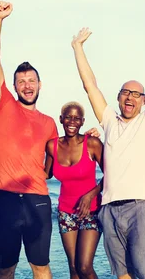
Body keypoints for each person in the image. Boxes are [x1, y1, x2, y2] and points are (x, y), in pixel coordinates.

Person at [71, 8, 145, 279]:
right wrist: (77, 47)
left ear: (144, 101)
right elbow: (90, 85)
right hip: (110, 208)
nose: (130, 97)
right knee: (122, 275)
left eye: (137, 94)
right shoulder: (109, 122)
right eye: (126, 92)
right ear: (118, 97)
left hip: (142, 206)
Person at [0, 1, 58, 279]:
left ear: (40, 84)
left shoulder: (49, 123)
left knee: (41, 267)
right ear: (14, 86)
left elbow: (55, 162)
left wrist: (91, 137)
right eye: (21, 81)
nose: (27, 85)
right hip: (5, 200)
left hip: (38, 200)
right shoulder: (4, 105)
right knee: (6, 267)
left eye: (32, 81)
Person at [43, 101, 104, 279]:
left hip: (91, 210)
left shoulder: (92, 143)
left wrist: (91, 194)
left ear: (82, 121)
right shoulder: (52, 146)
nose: (72, 121)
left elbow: (111, 175)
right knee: (73, 268)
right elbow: (46, 174)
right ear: (61, 119)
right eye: (68, 117)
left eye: (77, 118)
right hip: (66, 211)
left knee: (84, 266)